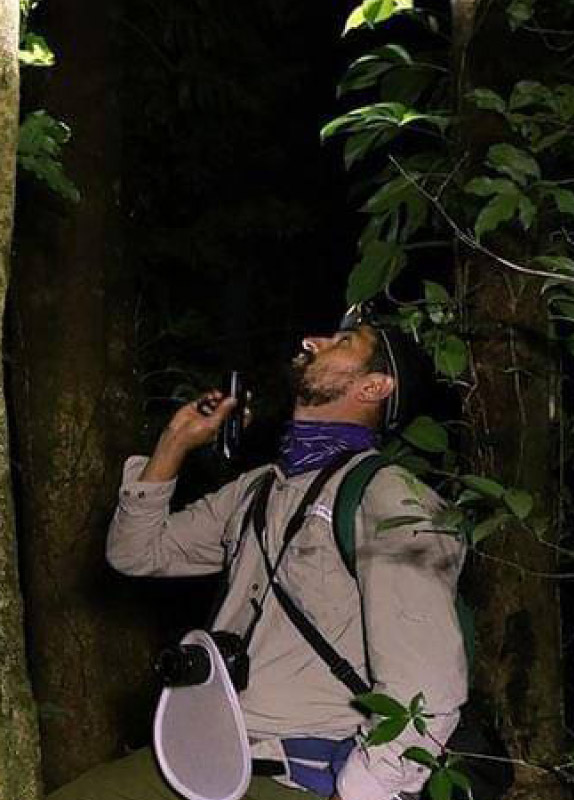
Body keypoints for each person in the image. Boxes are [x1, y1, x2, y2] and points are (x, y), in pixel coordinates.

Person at [46, 315, 467, 800]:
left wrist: (360, 792)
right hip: (201, 756)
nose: (312, 340)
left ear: (373, 385)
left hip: (301, 776)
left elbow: (428, 686)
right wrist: (176, 441)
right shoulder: (262, 487)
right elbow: (137, 552)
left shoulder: (391, 499)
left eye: (343, 342)